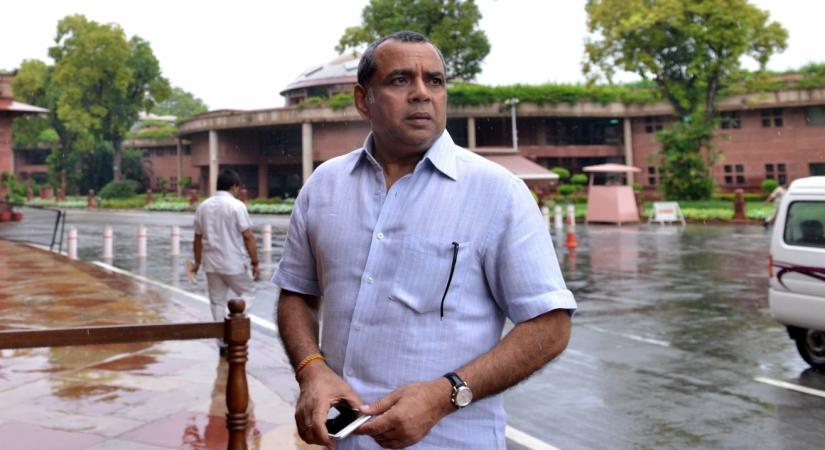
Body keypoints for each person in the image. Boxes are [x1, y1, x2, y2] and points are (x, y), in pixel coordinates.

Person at [273, 31, 575, 449]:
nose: (421, 93)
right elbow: (297, 293)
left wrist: (446, 394)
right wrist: (312, 369)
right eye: (400, 80)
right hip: (343, 441)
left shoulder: (497, 193)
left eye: (434, 80)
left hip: (452, 440)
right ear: (364, 100)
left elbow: (551, 324)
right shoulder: (324, 186)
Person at [192, 168, 260, 355]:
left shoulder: (203, 206)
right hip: (234, 262)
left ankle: (221, 342)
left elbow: (197, 238)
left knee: (216, 301)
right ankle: (235, 324)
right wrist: (255, 262)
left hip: (211, 263)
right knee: (248, 293)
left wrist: (197, 263)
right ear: (234, 186)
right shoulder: (237, 206)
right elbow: (248, 236)